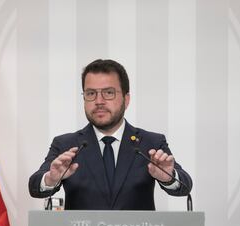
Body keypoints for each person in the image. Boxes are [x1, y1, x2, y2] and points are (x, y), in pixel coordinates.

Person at [29, 59, 192, 210]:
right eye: (91, 93)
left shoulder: (150, 143)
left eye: (108, 93)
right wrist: (51, 179)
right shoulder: (66, 145)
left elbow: (184, 186)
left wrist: (169, 177)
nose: (99, 101)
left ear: (126, 100)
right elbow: (35, 186)